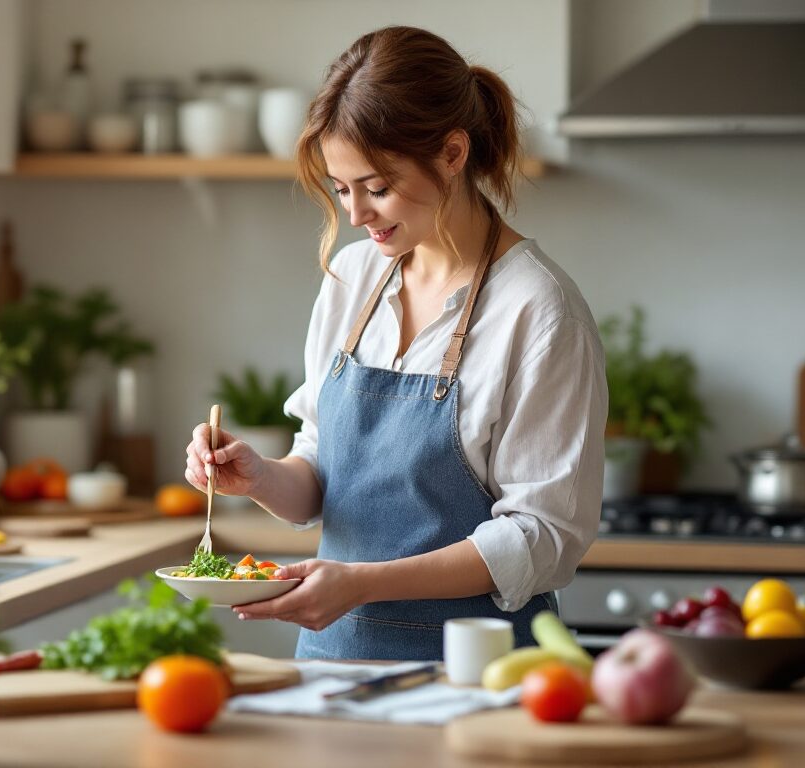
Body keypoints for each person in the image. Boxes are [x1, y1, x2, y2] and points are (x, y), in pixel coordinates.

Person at [183, 26, 607, 660]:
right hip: (333, 670)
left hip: (476, 678)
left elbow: (540, 538)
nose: (356, 216)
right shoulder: (353, 279)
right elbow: (322, 474)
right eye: (341, 189)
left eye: (377, 188)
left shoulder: (539, 312)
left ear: (453, 153)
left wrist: (361, 585)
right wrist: (261, 478)